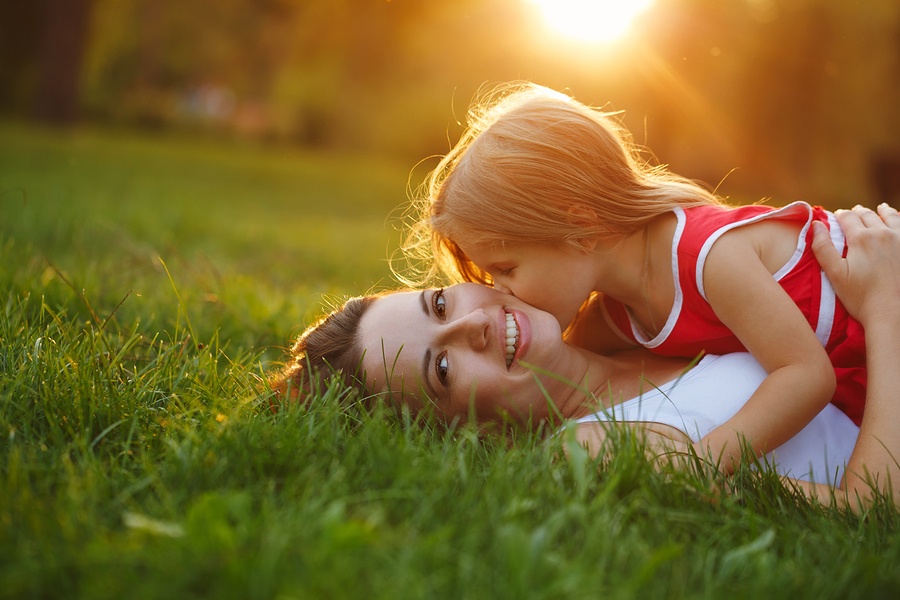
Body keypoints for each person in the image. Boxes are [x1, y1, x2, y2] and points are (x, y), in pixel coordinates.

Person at [271, 204, 900, 512]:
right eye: (442, 368)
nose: (472, 326)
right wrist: (885, 308)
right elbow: (869, 508)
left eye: (439, 304)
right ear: (468, 433)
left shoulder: (619, 312)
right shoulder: (601, 450)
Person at [400, 82, 865, 473]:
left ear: (580, 228)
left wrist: (701, 464)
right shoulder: (615, 314)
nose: (500, 292)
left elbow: (805, 375)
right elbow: (556, 388)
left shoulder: (708, 257)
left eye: (506, 269)